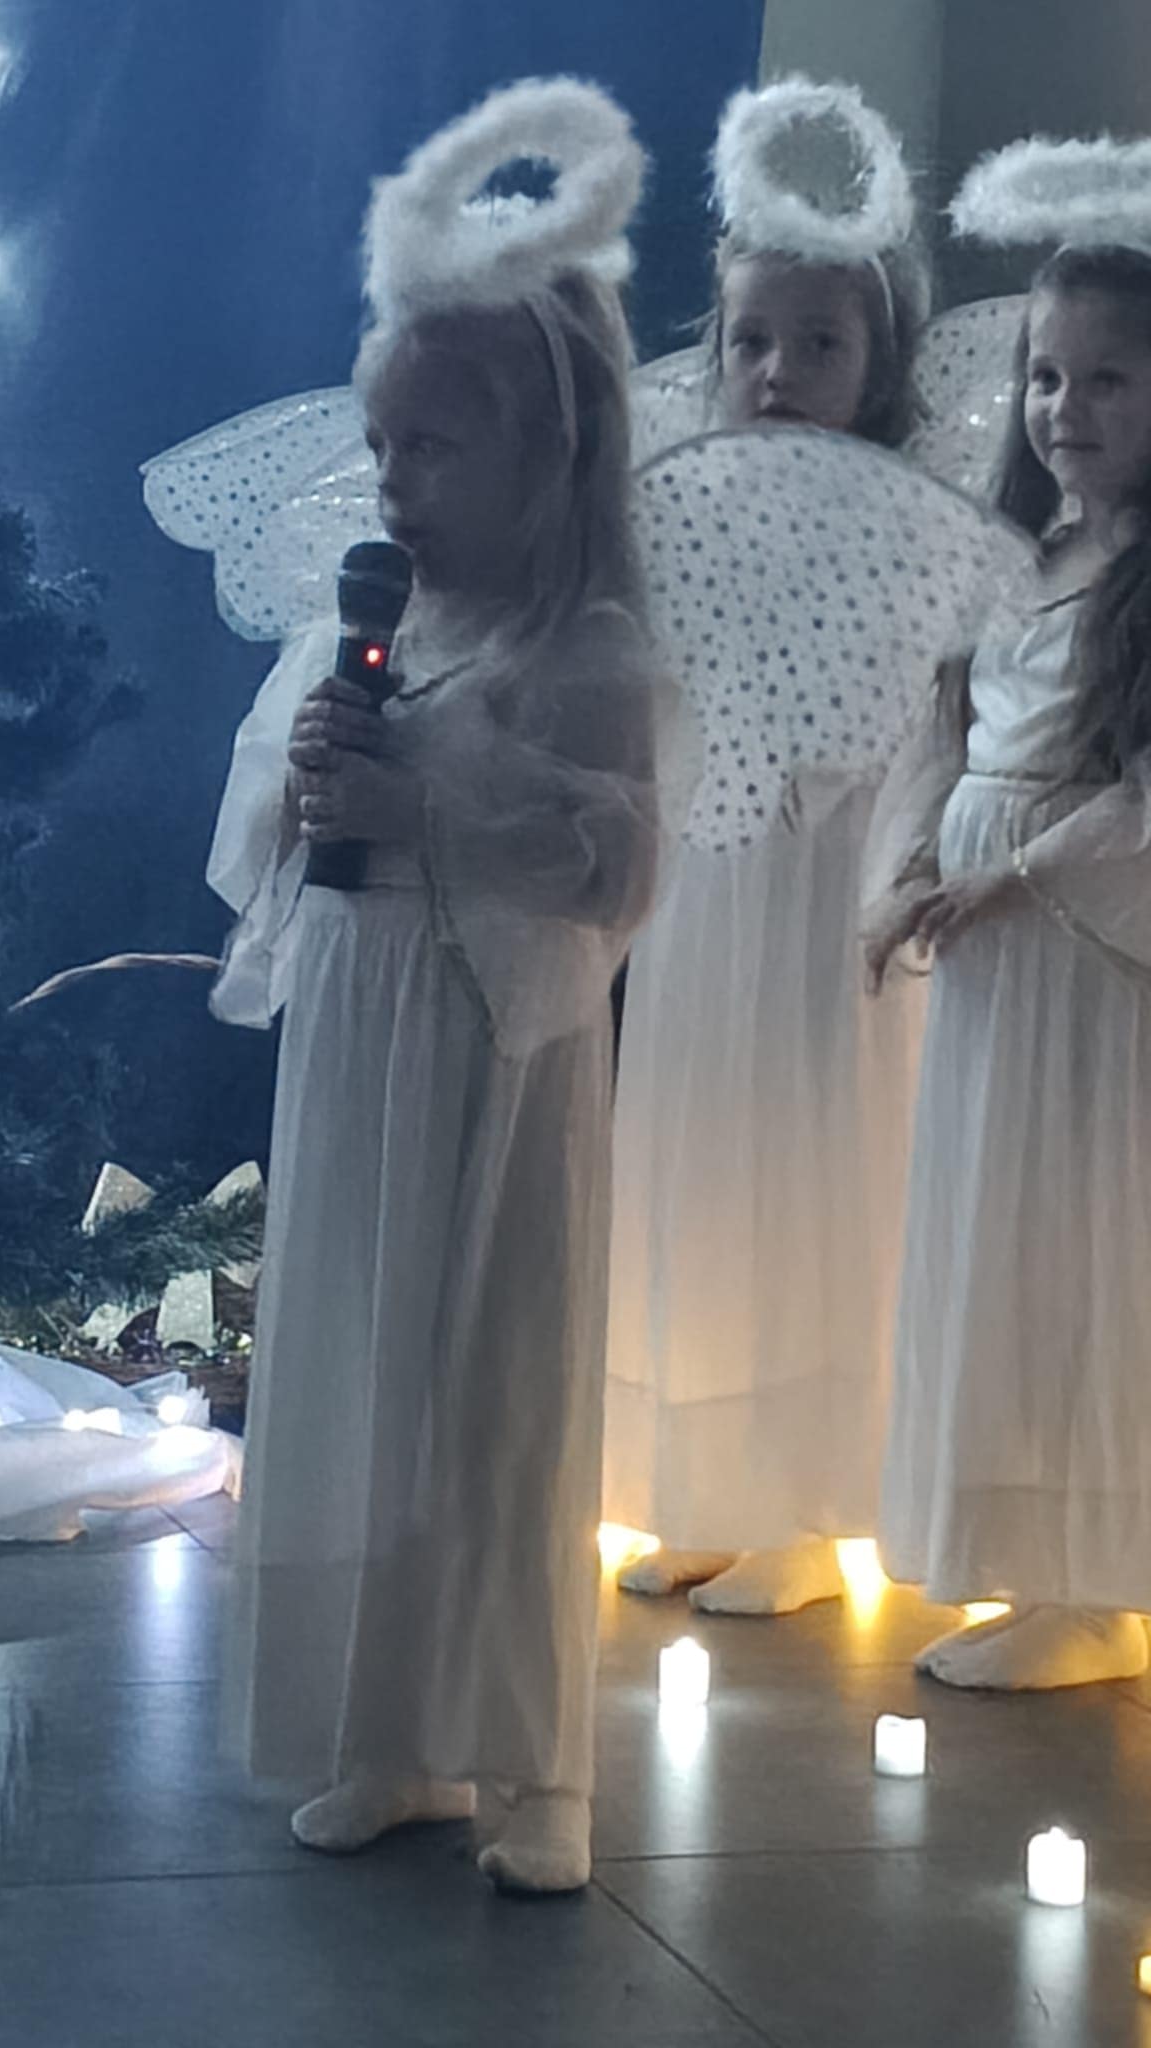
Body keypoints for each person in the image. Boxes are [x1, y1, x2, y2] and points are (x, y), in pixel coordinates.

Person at [206, 79, 660, 1892]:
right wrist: (311, 774)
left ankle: (537, 1767)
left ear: (550, 455)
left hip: (496, 1058)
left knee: (498, 1397)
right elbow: (262, 837)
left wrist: (437, 802)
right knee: (369, 1385)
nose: (396, 486)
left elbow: (616, 868)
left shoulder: (591, 649)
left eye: (438, 451)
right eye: (383, 447)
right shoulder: (365, 634)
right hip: (359, 1034)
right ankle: (389, 1732)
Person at [607, 80, 932, 1615]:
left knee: (818, 1173)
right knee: (706, 1173)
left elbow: (910, 711)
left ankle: (814, 1498)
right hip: (710, 889)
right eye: (751, 341)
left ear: (876, 367)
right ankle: (709, 1481)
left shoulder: (902, 524)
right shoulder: (685, 515)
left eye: (818, 344)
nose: (778, 371)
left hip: (826, 884)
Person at [867, 142, 1151, 1689]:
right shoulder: (1019, 561)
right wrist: (904, 873)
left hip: (1087, 958)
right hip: (994, 952)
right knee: (995, 1241)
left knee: (1076, 1239)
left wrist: (1017, 876)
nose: (1065, 408)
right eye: (1048, 376)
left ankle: (1095, 1580)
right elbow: (944, 734)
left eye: (1108, 380)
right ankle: (1029, 1556)